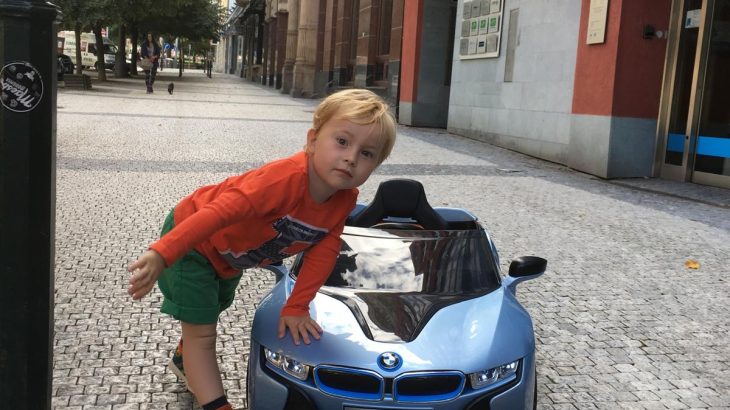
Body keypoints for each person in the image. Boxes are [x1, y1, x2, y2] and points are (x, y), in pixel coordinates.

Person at [127, 89, 397, 410]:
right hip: (192, 244)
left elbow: (323, 250)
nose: (351, 157)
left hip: (229, 259)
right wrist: (163, 253)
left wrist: (297, 306)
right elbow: (218, 213)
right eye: (342, 141)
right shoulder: (283, 180)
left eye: (367, 153)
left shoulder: (343, 199)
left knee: (213, 307)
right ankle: (214, 402)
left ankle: (186, 357)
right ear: (312, 141)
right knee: (203, 334)